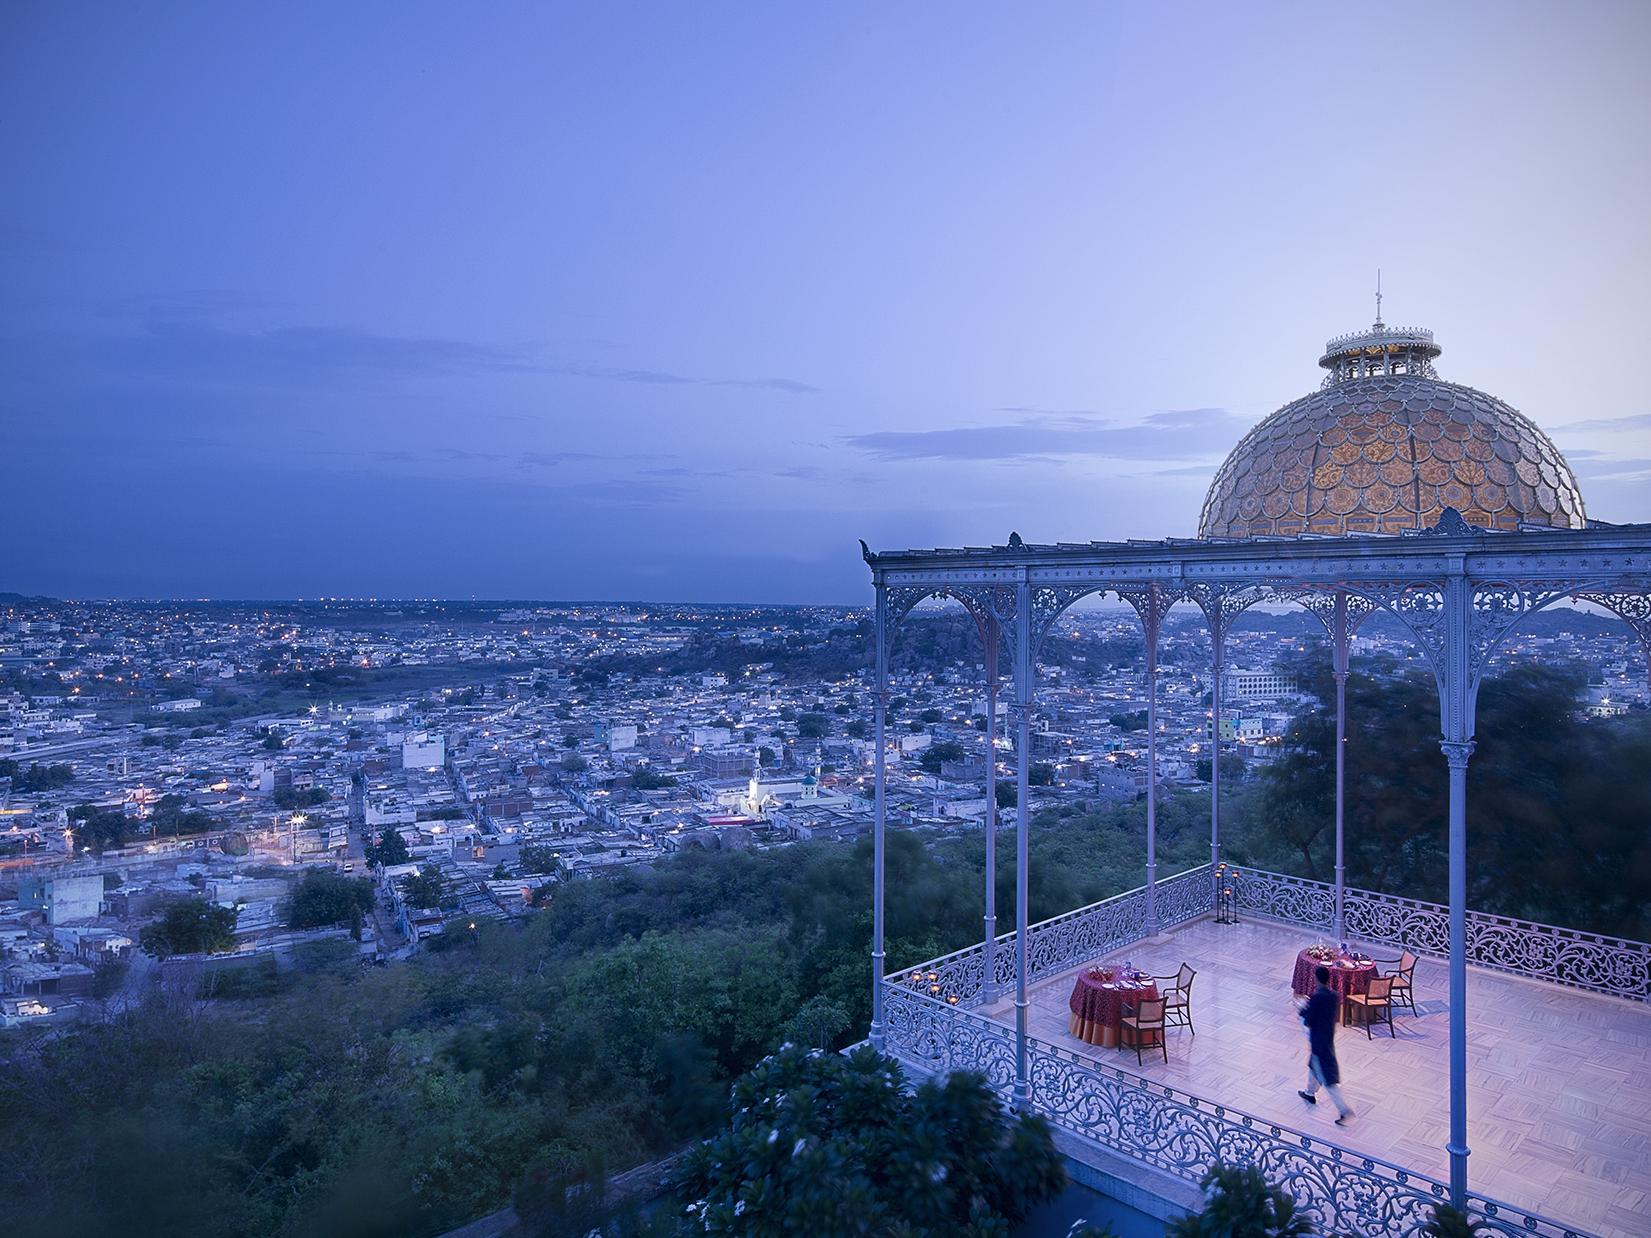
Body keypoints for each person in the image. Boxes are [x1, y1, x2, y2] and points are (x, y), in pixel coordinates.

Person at [1297, 964, 1353, 1124]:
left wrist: (1302, 1008)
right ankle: (1309, 1093)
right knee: (1314, 1067)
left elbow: (1309, 1019)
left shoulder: (1317, 997)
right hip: (1327, 1037)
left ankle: (1344, 1110)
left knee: (1328, 1079)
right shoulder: (1334, 996)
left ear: (1316, 979)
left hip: (1318, 1042)